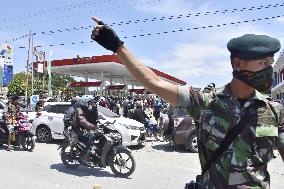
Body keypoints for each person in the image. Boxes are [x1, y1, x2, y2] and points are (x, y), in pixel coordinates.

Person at [91, 17, 284, 188]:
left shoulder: (275, 111)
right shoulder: (206, 102)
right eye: (263, 64)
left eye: (271, 63)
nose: (269, 70)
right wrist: (118, 47)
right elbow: (155, 82)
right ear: (238, 64)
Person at [74, 96, 99, 164]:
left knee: (98, 134)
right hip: (79, 130)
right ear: (85, 102)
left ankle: (94, 151)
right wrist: (93, 126)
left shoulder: (86, 108)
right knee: (91, 136)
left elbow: (94, 117)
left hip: (84, 128)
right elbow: (83, 122)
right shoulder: (79, 110)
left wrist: (95, 108)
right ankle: (85, 156)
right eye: (89, 102)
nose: (91, 104)